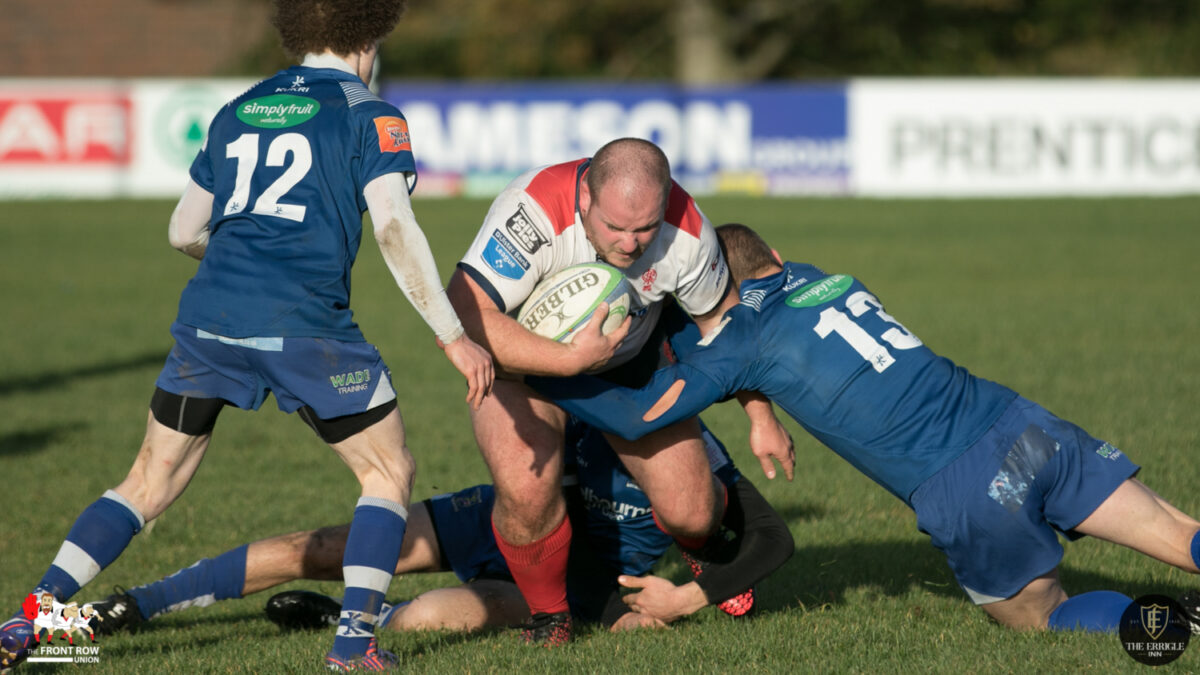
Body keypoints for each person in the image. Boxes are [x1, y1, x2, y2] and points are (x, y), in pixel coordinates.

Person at [0, 1, 494, 671]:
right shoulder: (370, 114)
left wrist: (243, 271)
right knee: (387, 472)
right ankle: (353, 646)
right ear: (371, 37)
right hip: (306, 328)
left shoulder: (239, 108)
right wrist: (452, 335)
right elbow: (394, 228)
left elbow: (182, 230)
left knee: (146, 481)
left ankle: (29, 618)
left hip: (209, 321)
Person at [532, 222, 1200, 633]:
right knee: (1178, 532)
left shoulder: (738, 343)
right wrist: (760, 408)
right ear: (776, 254)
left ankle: (1175, 623)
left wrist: (540, 368)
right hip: (1021, 423)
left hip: (963, 486)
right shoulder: (826, 278)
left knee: (1039, 613)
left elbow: (632, 413)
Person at [446, 138, 793, 644]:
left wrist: (761, 416)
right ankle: (551, 616)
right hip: (519, 365)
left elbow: (726, 329)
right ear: (585, 197)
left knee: (691, 509)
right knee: (525, 485)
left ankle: (701, 545)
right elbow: (466, 311)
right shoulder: (532, 211)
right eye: (615, 228)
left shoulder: (687, 229)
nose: (630, 245)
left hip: (626, 363)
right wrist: (567, 359)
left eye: (644, 229)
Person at [81, 420, 791, 636]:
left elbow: (768, 542)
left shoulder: (700, 454)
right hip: (492, 519)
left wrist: (682, 598)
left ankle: (362, 618)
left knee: (424, 618)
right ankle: (136, 604)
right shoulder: (589, 393)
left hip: (567, 586)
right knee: (329, 545)